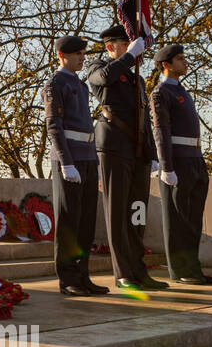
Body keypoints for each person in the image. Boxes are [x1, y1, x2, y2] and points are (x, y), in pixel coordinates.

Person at [84, 25, 167, 293]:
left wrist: (153, 154)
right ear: (111, 46)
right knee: (118, 213)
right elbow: (105, 78)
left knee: (137, 213)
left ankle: (139, 269)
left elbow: (144, 118)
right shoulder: (97, 66)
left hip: (138, 152)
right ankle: (123, 274)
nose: (135, 50)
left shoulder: (137, 79)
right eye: (127, 43)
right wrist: (129, 56)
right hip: (114, 148)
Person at [150, 44, 212, 285]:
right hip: (177, 161)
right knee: (178, 220)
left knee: (193, 219)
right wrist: (166, 167)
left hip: (195, 158)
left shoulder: (181, 90)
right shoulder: (161, 93)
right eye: (179, 59)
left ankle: (193, 268)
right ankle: (181, 271)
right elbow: (161, 131)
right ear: (165, 65)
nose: (185, 62)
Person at [42, 35, 105, 296]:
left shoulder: (78, 84)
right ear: (62, 56)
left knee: (86, 222)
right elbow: (54, 126)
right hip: (69, 159)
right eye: (76, 54)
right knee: (69, 222)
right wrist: (66, 162)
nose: (82, 57)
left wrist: (95, 161)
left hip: (87, 158)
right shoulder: (55, 84)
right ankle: (68, 279)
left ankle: (83, 276)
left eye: (83, 53)